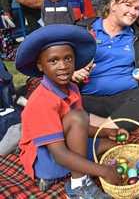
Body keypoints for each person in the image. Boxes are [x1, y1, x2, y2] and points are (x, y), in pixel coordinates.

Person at [15, 24, 128, 198]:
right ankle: (78, 185)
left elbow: (80, 126)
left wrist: (106, 132)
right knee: (77, 119)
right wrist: (103, 171)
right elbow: (60, 154)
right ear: (40, 65)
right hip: (47, 158)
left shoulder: (73, 88)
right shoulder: (41, 101)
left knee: (112, 146)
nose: (63, 66)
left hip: (65, 143)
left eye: (68, 59)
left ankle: (74, 171)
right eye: (53, 61)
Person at [72, 0, 139, 138]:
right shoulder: (83, 30)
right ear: (113, 5)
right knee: (63, 105)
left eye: (137, 8)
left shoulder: (138, 39)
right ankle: (127, 125)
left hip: (124, 98)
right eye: (128, 5)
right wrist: (73, 73)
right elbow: (64, 61)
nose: (133, 12)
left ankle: (98, 128)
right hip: (87, 99)